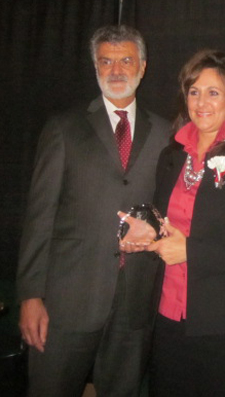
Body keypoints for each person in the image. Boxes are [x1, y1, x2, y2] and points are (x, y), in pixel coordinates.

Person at [16, 25, 170, 397]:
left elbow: (170, 211)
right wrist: (30, 295)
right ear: (95, 67)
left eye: (125, 60)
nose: (116, 70)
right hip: (67, 303)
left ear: (143, 66)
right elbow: (39, 216)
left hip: (134, 303)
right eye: (106, 61)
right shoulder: (64, 129)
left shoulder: (168, 134)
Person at [118, 49, 225, 397]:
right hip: (168, 315)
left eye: (213, 92)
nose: (201, 101)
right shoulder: (172, 155)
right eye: (194, 91)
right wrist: (148, 232)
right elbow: (168, 223)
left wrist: (191, 252)